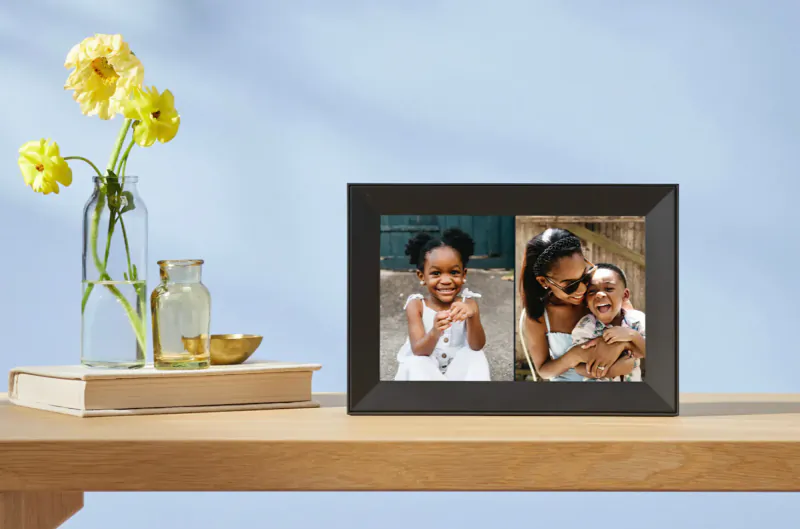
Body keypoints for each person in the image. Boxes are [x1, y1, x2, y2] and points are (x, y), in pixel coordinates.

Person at [519, 228, 632, 381]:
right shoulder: (538, 316)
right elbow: (544, 371)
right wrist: (576, 355)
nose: (583, 289)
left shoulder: (606, 294)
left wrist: (619, 346)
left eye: (585, 276)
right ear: (543, 281)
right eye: (570, 285)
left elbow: (637, 334)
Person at [394, 227, 491, 381]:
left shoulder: (468, 303)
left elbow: (477, 346)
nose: (446, 281)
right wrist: (435, 332)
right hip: (425, 371)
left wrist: (472, 315)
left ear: (464, 274)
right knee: (415, 362)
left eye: (453, 272)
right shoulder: (416, 305)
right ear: (422, 276)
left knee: (476, 356)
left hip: (456, 372)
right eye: (436, 273)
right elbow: (419, 351)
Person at [570, 263, 646, 382]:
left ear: (625, 295)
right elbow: (578, 367)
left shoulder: (636, 320)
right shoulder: (585, 327)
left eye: (609, 288)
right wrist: (613, 371)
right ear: (586, 301)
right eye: (592, 291)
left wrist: (632, 335)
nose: (599, 294)